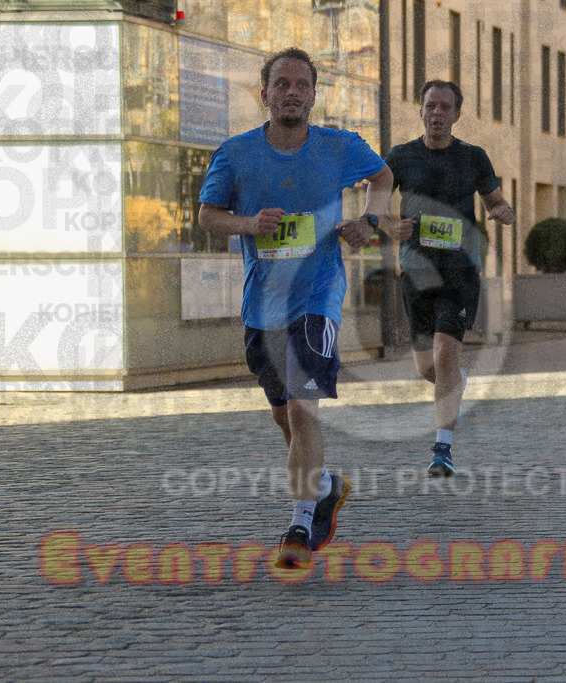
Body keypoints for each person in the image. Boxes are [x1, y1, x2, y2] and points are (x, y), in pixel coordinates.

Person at [197, 48, 408, 568]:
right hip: (261, 306)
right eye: (281, 84)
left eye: (301, 85)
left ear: (313, 95)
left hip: (317, 297)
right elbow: (208, 216)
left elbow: (382, 180)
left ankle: (298, 523)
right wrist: (249, 225)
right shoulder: (236, 153)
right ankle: (326, 485)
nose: (292, 92)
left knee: (300, 405)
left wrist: (371, 222)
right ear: (264, 93)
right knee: (283, 414)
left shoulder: (340, 146)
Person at [385, 80, 515, 477]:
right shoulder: (401, 157)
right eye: (430, 106)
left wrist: (504, 212)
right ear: (421, 111)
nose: (437, 113)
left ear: (458, 114)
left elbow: (495, 201)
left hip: (460, 270)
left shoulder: (473, 157)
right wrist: (391, 226)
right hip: (416, 271)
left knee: (445, 352)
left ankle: (443, 450)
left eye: (445, 107)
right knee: (429, 367)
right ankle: (453, 381)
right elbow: (375, 208)